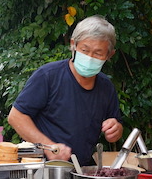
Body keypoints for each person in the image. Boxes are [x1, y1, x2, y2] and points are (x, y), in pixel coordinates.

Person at [8, 15, 124, 165]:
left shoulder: (106, 87)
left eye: (98, 53)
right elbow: (16, 116)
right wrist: (48, 146)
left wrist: (116, 129)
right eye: (85, 49)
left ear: (109, 55)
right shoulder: (48, 76)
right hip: (41, 168)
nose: (89, 57)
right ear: (73, 45)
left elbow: (116, 128)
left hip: (82, 171)